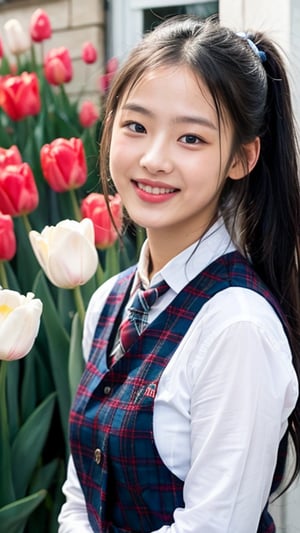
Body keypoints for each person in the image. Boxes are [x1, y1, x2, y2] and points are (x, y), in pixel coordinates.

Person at [58, 14, 300, 533]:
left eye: (191, 139)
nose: (153, 158)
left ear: (241, 158)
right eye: (136, 126)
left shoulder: (237, 328)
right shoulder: (109, 301)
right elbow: (81, 497)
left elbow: (215, 527)